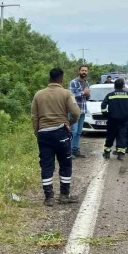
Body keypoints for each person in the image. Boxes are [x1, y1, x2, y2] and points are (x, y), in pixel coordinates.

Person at [32, 68, 81, 206]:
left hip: (43, 134)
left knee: (46, 164)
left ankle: (49, 197)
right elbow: (76, 112)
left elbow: (34, 116)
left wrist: (37, 132)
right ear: (61, 79)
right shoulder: (66, 93)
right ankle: (64, 195)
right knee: (65, 163)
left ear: (49, 79)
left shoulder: (38, 95)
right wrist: (69, 123)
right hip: (61, 133)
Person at [101, 79, 128, 160]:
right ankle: (121, 153)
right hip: (124, 120)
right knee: (122, 135)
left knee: (110, 135)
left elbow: (103, 106)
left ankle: (107, 152)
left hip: (112, 119)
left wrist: (106, 115)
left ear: (114, 86)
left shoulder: (110, 95)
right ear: (123, 86)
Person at [68, 65, 90, 158]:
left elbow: (88, 97)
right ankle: (69, 151)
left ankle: (75, 149)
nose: (84, 72)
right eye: (82, 70)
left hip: (83, 110)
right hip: (74, 111)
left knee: (79, 132)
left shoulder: (87, 83)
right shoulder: (73, 82)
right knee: (73, 131)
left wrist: (88, 94)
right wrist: (83, 93)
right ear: (79, 71)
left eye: (85, 70)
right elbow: (70, 96)